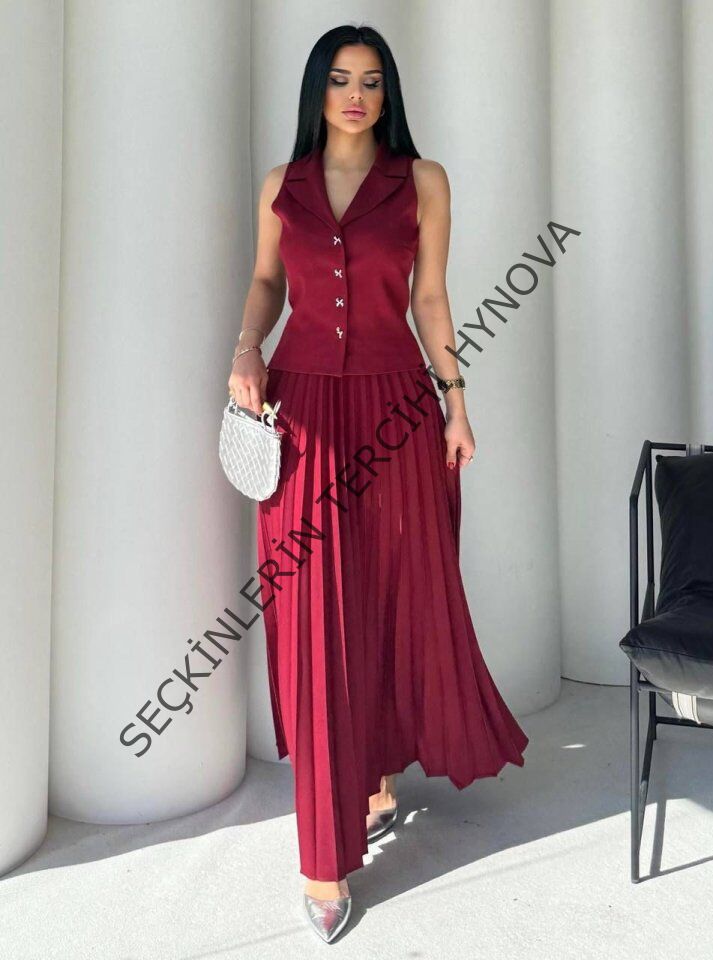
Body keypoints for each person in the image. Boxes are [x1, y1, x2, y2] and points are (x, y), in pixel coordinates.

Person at [227, 23, 529, 943]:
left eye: (370, 81)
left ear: (387, 93)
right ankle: (322, 859)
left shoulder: (423, 180)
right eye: (338, 80)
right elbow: (266, 282)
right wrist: (244, 349)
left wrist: (456, 404)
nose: (355, 96)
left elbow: (430, 297)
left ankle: (376, 768)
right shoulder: (280, 185)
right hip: (303, 410)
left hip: (397, 410)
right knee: (311, 614)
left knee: (396, 594)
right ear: (316, 91)